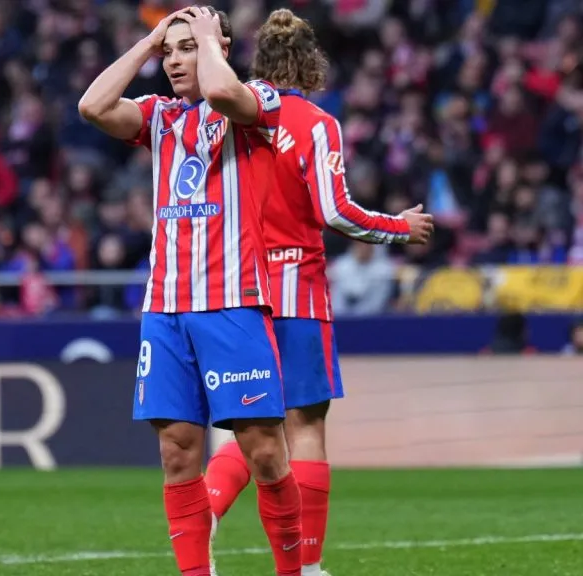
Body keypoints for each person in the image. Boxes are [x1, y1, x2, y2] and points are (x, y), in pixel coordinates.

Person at [203, 9, 435, 576]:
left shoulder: (222, 116)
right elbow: (334, 211)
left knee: (256, 423)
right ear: (311, 63)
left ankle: (202, 511)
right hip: (296, 290)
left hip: (234, 289)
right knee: (304, 424)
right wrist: (399, 226)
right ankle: (306, 567)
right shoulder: (315, 122)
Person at [80, 7, 301, 576]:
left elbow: (223, 90)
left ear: (218, 44)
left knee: (265, 452)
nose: (175, 60)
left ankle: (293, 570)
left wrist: (208, 43)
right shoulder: (161, 117)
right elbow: (93, 107)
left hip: (231, 304)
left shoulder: (254, 101)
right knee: (177, 454)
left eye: (186, 48)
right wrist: (150, 40)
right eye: (169, 52)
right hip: (166, 311)